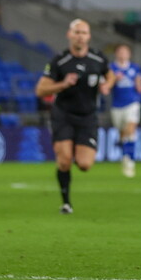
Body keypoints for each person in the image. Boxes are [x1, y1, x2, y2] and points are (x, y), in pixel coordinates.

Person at [34, 19, 114, 214]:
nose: (80, 36)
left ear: (89, 37)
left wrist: (107, 85)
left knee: (85, 164)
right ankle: (66, 203)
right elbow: (40, 90)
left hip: (87, 117)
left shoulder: (98, 59)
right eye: (77, 32)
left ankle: (76, 153)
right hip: (63, 115)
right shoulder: (59, 61)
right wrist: (62, 84)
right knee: (64, 161)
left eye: (84, 33)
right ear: (69, 35)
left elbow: (110, 74)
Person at [110, 44, 141, 178]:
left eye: (126, 51)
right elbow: (106, 87)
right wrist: (114, 79)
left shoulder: (135, 68)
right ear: (116, 54)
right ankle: (126, 154)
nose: (123, 54)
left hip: (132, 103)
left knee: (131, 130)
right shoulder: (111, 69)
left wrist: (138, 83)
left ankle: (129, 160)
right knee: (123, 134)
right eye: (121, 51)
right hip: (117, 105)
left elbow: (140, 89)